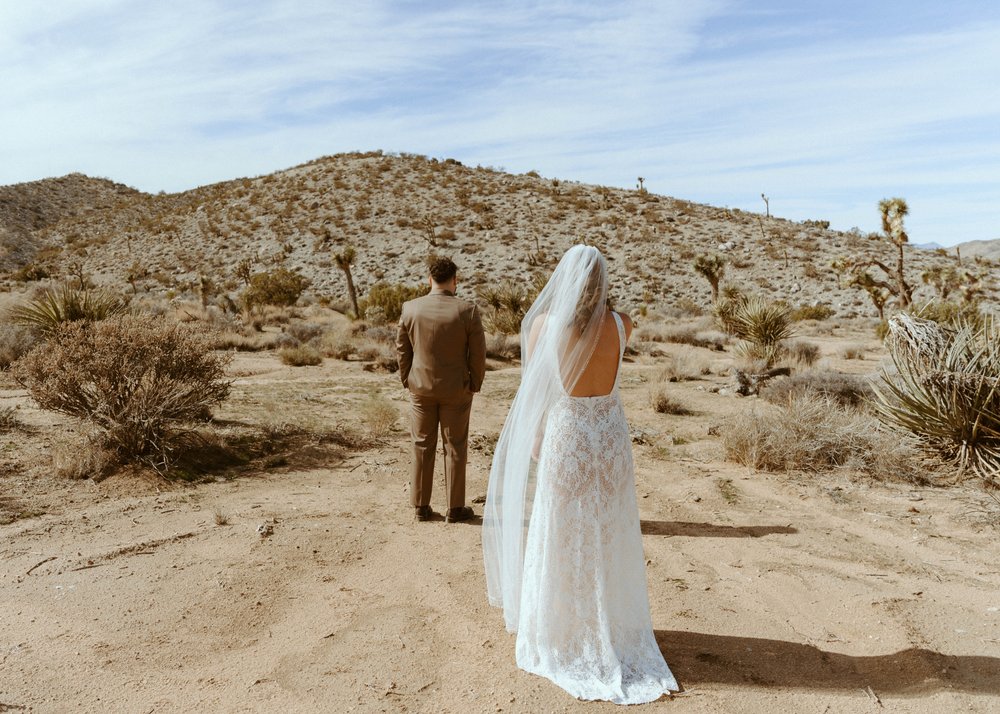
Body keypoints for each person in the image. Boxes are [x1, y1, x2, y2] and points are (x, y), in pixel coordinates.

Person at [483, 245, 678, 703]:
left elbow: (536, 393)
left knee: (562, 530)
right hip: (608, 440)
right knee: (608, 532)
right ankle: (608, 622)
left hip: (568, 438)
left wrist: (533, 441)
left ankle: (563, 629)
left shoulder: (543, 328)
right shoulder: (621, 324)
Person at [396, 256, 487, 523]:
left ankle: (421, 507)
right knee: (455, 446)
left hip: (420, 388)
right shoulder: (467, 310)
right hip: (456, 389)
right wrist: (475, 382)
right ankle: (454, 508)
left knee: (422, 444)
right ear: (454, 281)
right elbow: (478, 353)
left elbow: (403, 349)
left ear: (430, 280)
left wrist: (407, 378)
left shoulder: (410, 308)